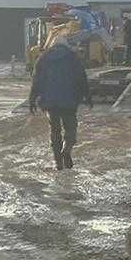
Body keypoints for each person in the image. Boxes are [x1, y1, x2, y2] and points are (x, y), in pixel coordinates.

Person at [28, 37, 92, 170]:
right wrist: (87, 96)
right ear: (66, 45)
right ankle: (67, 149)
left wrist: (32, 99)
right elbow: (81, 78)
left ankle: (58, 162)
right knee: (71, 128)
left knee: (55, 131)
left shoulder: (43, 58)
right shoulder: (73, 57)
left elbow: (37, 80)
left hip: (50, 101)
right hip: (70, 100)